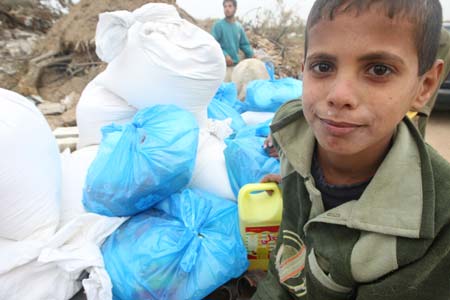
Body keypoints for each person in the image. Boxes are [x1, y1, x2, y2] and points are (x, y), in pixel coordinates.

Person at [252, 1, 450, 299]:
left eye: (379, 69)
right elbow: (281, 269)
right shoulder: (293, 132)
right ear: (303, 68)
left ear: (425, 86)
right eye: (323, 66)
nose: (339, 96)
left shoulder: (436, 229)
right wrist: (295, 182)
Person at [211, 0, 254, 81]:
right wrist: (225, 55)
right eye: (225, 6)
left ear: (235, 8)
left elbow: (244, 44)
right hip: (222, 67)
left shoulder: (239, 27)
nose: (227, 9)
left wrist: (252, 54)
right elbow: (213, 44)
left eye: (230, 6)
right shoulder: (218, 25)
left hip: (235, 66)